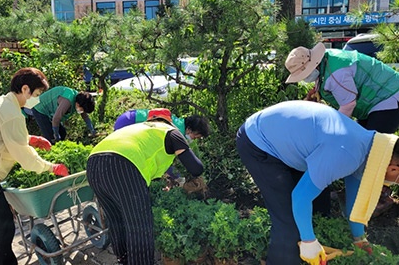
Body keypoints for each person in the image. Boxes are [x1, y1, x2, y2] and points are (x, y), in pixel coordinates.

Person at [236, 100, 399, 265]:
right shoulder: (347, 155)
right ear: (393, 169)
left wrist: (359, 239)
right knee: (289, 221)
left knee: (320, 206)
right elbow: (300, 197)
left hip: (291, 141)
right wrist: (308, 241)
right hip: (259, 141)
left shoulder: (371, 151)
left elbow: (355, 202)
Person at [0, 67, 69, 265]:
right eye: (36, 94)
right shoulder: (12, 113)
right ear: (25, 89)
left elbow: (2, 135)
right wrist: (51, 167)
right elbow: (23, 155)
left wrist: (31, 139)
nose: (36, 99)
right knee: (4, 225)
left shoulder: (1, 103)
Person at [285, 42, 399, 216]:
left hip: (387, 99)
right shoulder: (326, 62)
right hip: (373, 103)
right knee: (360, 148)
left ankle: (378, 198)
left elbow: (347, 105)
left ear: (312, 64)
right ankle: (356, 195)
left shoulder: (337, 73)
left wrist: (331, 136)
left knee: (374, 152)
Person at [86, 108, 204, 265]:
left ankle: (124, 260)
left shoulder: (138, 129)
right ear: (168, 121)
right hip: (123, 165)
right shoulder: (171, 132)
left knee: (116, 219)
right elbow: (196, 168)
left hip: (93, 165)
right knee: (139, 225)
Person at [31, 86, 96, 143]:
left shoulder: (80, 101)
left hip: (51, 113)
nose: (82, 111)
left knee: (62, 133)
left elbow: (85, 117)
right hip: (40, 109)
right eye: (82, 109)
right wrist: (56, 134)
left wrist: (91, 129)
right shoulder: (67, 101)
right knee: (51, 138)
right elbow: (56, 119)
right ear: (78, 104)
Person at [113, 109, 210, 141]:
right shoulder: (176, 131)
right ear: (189, 129)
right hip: (128, 122)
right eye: (195, 136)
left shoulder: (178, 122)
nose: (194, 139)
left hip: (127, 116)